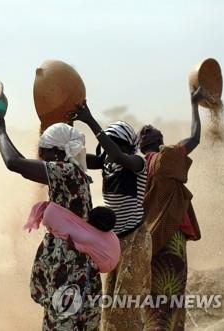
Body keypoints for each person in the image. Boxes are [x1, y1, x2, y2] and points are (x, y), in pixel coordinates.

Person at [0, 108, 105, 331]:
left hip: (69, 272)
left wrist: (1, 129)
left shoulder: (67, 172)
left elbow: (14, 163)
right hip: (78, 269)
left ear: (59, 153)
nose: (42, 158)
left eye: (45, 152)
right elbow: (20, 161)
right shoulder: (75, 171)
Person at [70, 102, 152, 330]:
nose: (106, 150)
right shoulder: (107, 162)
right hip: (114, 242)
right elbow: (80, 159)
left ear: (125, 145)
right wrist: (66, 130)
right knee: (111, 301)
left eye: (112, 144)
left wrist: (90, 121)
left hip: (135, 240)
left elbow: (116, 155)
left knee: (128, 306)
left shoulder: (137, 163)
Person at [138, 86, 204, 330]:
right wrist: (194, 104)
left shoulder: (132, 166)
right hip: (170, 239)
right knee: (171, 299)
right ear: (162, 143)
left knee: (151, 301)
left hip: (144, 241)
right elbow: (195, 137)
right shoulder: (166, 159)